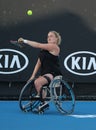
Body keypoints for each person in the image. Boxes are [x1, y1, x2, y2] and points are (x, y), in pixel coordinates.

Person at [18, 31, 62, 113]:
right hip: (45, 74)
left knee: (38, 82)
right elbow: (38, 63)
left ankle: (44, 103)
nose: (49, 37)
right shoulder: (44, 50)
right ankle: (42, 99)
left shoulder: (55, 47)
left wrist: (24, 41)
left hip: (54, 74)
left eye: (51, 36)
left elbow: (37, 45)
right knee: (36, 82)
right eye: (48, 36)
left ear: (56, 39)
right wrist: (33, 75)